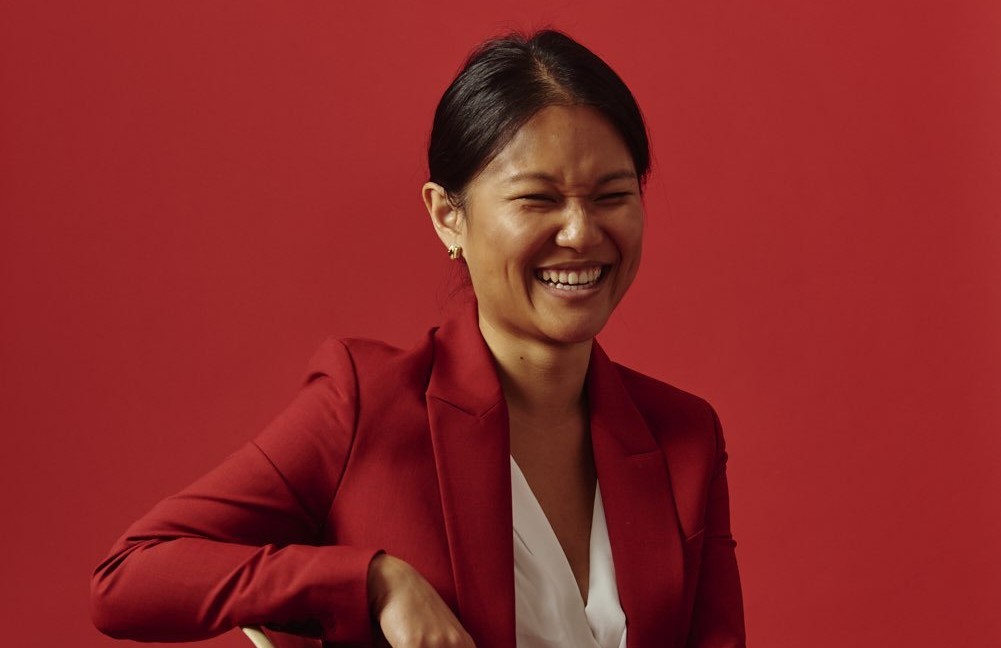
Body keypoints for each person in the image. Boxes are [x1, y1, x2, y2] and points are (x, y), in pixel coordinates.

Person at [91, 29, 745, 648]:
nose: (580, 232)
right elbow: (129, 577)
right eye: (538, 199)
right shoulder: (365, 404)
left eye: (611, 195)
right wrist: (373, 582)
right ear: (446, 216)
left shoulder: (684, 435)